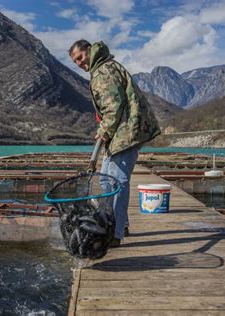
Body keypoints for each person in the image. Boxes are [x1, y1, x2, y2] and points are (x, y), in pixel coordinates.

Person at [69, 39, 161, 247]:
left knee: (118, 182)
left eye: (80, 58)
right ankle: (120, 224)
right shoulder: (105, 67)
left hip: (126, 132)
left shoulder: (102, 71)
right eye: (75, 62)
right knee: (105, 180)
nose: (80, 64)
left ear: (89, 50)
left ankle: (116, 234)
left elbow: (113, 107)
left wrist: (103, 132)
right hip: (119, 133)